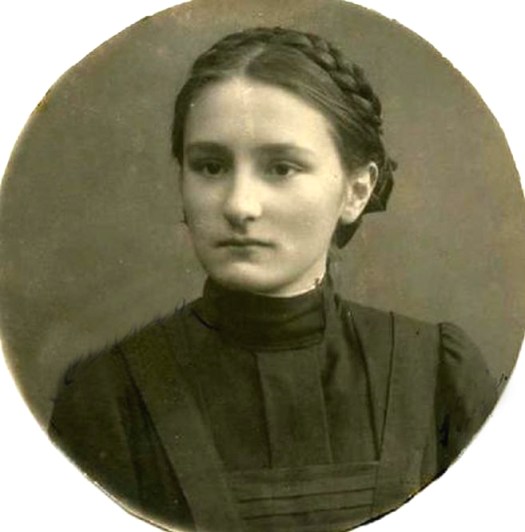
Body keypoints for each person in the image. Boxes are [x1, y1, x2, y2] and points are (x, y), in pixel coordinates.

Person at [48, 27, 498, 532]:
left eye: (281, 168)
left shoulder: (438, 375)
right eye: (210, 166)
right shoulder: (109, 397)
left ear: (356, 191)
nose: (239, 205)